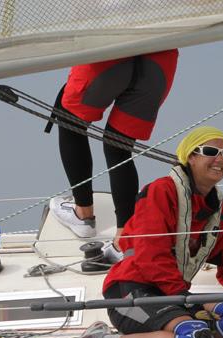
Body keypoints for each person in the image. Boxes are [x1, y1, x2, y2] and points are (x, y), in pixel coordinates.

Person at [64, 126, 223, 338]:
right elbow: (150, 256)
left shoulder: (218, 213)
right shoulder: (161, 192)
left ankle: (169, 337)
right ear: (191, 157)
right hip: (131, 292)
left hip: (173, 294)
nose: (220, 159)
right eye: (210, 151)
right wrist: (186, 298)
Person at [49, 49, 179, 261]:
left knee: (70, 123)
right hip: (161, 60)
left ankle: (83, 214)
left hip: (111, 49)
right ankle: (124, 241)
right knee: (118, 147)